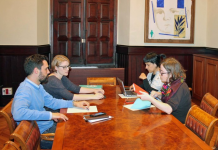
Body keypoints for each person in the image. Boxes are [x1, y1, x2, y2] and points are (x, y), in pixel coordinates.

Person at [11, 54, 90, 149]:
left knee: (79, 127)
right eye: (46, 69)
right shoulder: (25, 89)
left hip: (47, 126)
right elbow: (18, 113)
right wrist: (51, 115)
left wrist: (74, 103)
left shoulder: (38, 86)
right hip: (42, 135)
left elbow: (51, 102)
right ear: (36, 71)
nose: (48, 71)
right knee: (79, 139)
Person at [138, 57, 191, 124]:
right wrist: (158, 94)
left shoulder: (179, 86)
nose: (160, 75)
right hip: (169, 118)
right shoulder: (171, 83)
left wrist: (150, 98)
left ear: (171, 74)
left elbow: (169, 109)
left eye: (162, 73)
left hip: (177, 123)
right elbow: (169, 97)